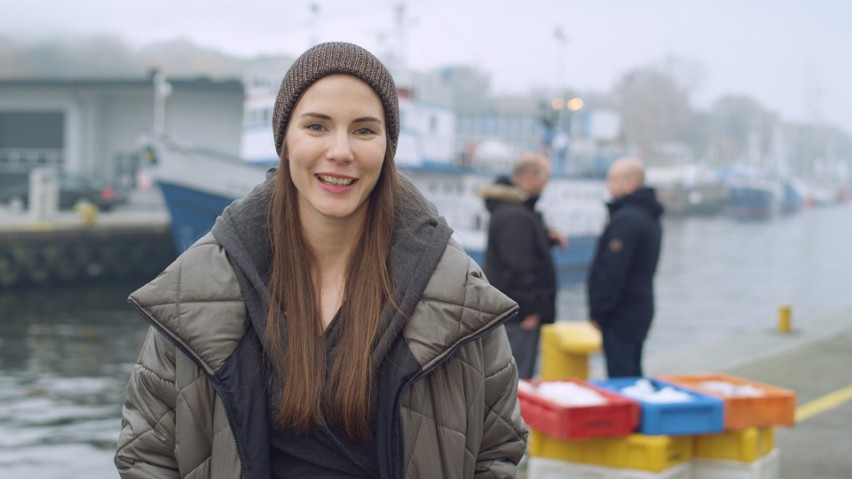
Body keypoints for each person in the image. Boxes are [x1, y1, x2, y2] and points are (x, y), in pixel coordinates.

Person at [114, 42, 527, 479]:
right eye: (316, 126)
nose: (341, 151)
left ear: (388, 147)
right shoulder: (198, 288)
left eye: (365, 130)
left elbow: (497, 450)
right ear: (285, 141)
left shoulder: (454, 292)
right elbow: (147, 454)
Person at [480, 152, 567, 379]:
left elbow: (517, 249)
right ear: (530, 176)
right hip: (519, 318)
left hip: (513, 314)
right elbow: (517, 268)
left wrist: (546, 237)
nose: (546, 184)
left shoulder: (514, 211)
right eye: (544, 178)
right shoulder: (516, 216)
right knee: (517, 378)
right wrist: (528, 310)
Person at [587, 156, 663, 378]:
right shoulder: (649, 217)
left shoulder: (626, 220)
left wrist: (599, 311)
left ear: (630, 183)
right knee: (633, 372)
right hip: (639, 308)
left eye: (612, 180)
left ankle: (627, 413)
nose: (607, 185)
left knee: (620, 376)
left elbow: (612, 272)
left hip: (621, 314)